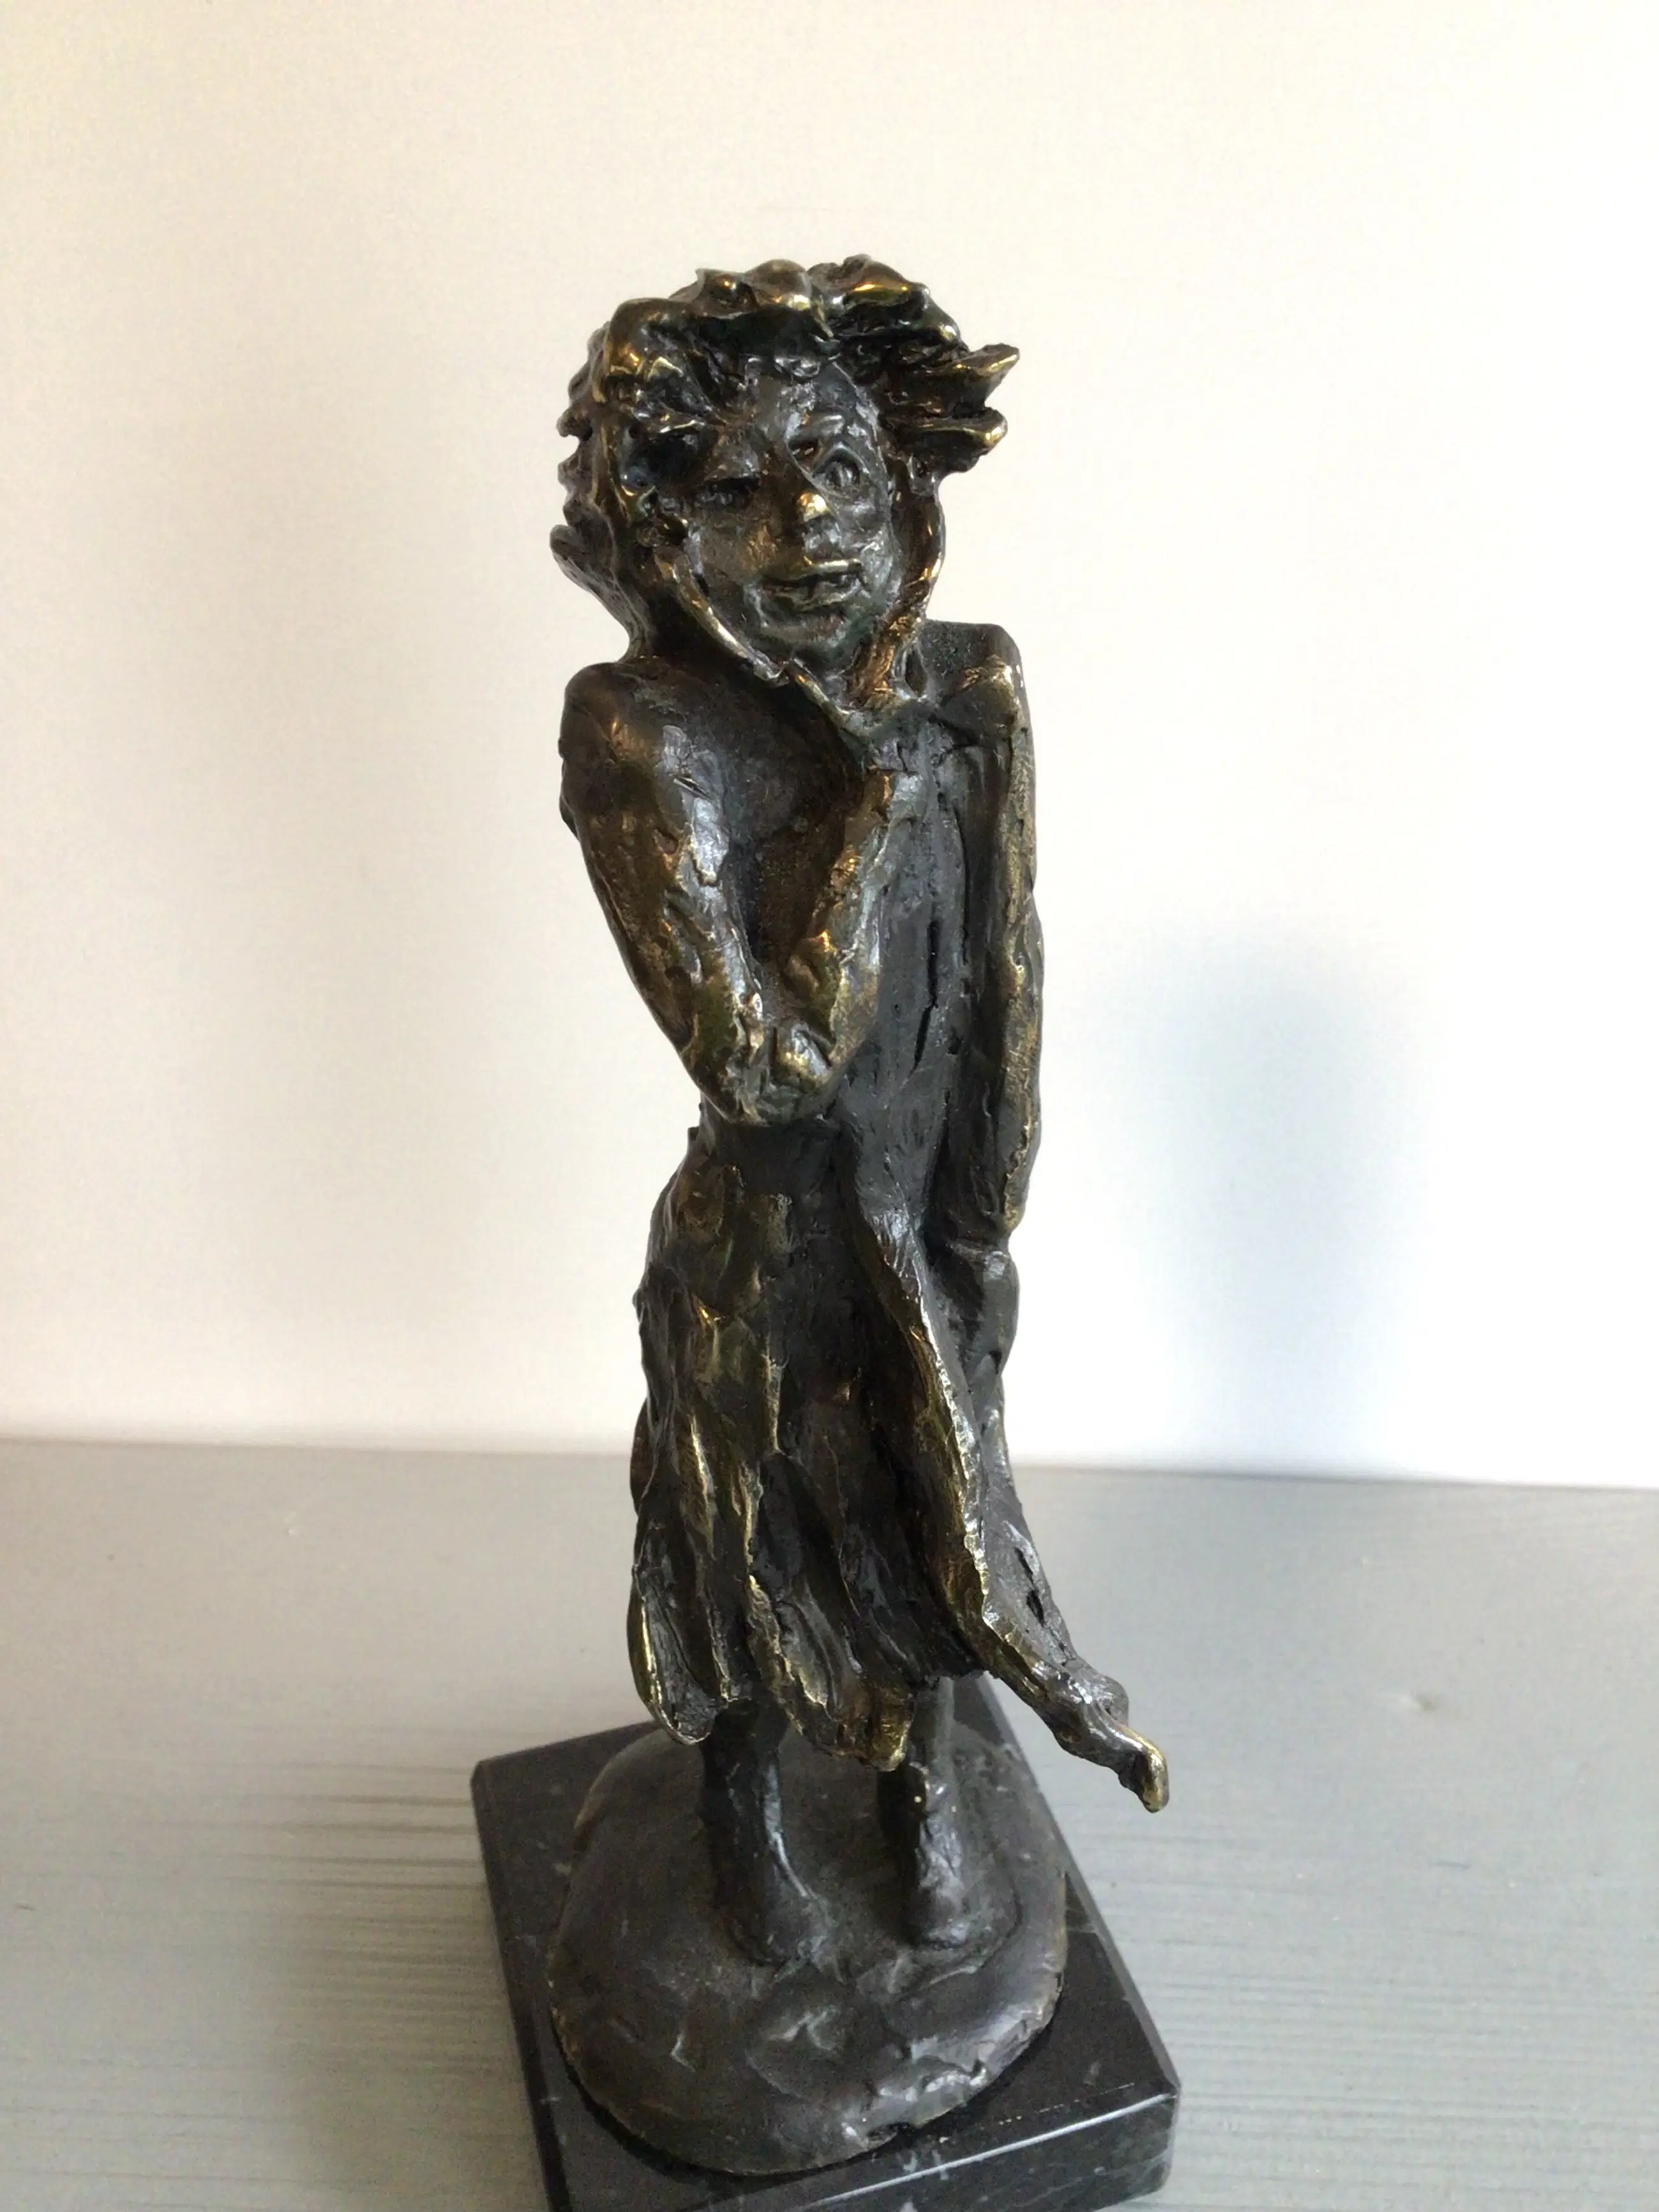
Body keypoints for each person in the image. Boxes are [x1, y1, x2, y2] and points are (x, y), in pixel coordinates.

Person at [554, 258, 1166, 1964]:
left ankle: (921, 1792)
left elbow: (1008, 962)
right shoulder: (643, 730)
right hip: (762, 1246)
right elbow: (766, 1069)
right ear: (664, 533)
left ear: (903, 479)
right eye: (739, 489)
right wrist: (864, 802)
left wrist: (987, 1218)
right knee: (746, 1540)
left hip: (924, 1222)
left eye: (835, 464)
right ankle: (744, 1810)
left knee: (933, 1519)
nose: (808, 525)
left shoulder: (969, 683)